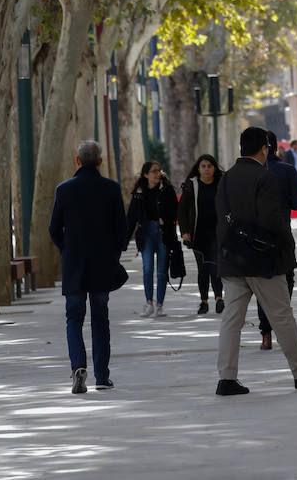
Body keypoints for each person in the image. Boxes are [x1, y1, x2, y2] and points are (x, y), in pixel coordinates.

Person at [214, 126, 297, 396]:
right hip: (262, 262)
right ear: (264, 148)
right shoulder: (264, 177)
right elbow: (271, 221)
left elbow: (220, 220)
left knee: (232, 319)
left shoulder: (226, 178)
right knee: (281, 315)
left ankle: (227, 378)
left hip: (232, 260)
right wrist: (286, 252)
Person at [48, 139, 128, 393]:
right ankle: (102, 376)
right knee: (100, 319)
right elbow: (122, 230)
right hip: (102, 264)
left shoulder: (64, 189)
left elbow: (53, 229)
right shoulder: (111, 189)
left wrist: (66, 250)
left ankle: (78, 367)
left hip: (74, 265)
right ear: (101, 161)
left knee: (73, 317)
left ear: (77, 161)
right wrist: (113, 254)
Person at [256, 130, 297, 350]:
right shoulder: (287, 170)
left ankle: (265, 333)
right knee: (286, 280)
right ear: (276, 147)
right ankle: (281, 326)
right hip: (283, 234)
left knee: (261, 283)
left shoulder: (249, 173)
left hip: (256, 237)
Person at [126, 158, 180, 318]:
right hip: (146, 233)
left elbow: (175, 211)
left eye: (159, 170)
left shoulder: (167, 189)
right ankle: (149, 302)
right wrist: (123, 241)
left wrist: (167, 219)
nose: (158, 174)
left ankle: (159, 305)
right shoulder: (139, 192)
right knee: (148, 269)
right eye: (154, 171)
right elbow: (131, 218)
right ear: (145, 174)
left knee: (162, 271)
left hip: (163, 233)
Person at [178, 153, 225, 316]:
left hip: (217, 233)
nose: (206, 169)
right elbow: (182, 210)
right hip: (198, 234)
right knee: (203, 269)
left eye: (209, 166)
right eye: (203, 166)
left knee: (215, 267)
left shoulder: (221, 183)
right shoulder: (192, 185)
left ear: (214, 168)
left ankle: (219, 299)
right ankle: (204, 302)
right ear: (198, 169)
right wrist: (184, 231)